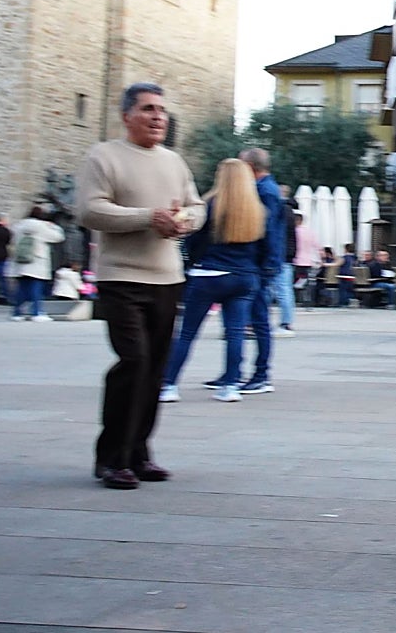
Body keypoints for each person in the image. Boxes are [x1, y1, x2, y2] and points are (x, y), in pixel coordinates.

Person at [76, 81, 205, 489]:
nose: (158, 118)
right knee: (133, 361)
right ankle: (111, 458)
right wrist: (149, 217)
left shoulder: (174, 161)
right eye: (149, 109)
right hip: (121, 277)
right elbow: (90, 210)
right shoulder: (103, 156)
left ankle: (138, 452)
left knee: (154, 368)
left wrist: (183, 221)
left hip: (168, 278)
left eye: (162, 111)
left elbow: (197, 206)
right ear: (127, 115)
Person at [159, 158, 268, 403]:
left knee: (187, 333)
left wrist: (193, 263)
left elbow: (192, 242)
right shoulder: (257, 208)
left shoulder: (209, 205)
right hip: (244, 276)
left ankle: (169, 385)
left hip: (209, 274)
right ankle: (230, 386)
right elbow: (265, 247)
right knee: (235, 333)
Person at [235, 148, 286, 394]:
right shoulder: (266, 189)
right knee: (252, 318)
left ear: (250, 167)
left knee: (259, 319)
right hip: (260, 262)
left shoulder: (265, 191)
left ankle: (261, 374)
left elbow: (267, 230)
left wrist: (267, 264)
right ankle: (235, 372)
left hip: (260, 263)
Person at [9, 205, 66, 321]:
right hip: (36, 261)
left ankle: (17, 313)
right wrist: (54, 226)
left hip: (21, 261)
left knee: (21, 288)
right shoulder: (41, 226)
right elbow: (58, 237)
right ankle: (36, 312)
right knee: (36, 288)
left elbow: (12, 239)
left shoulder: (18, 226)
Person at [273, 184, 298, 336]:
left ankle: (285, 322)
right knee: (285, 290)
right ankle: (286, 322)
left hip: (278, 255)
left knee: (279, 290)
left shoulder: (280, 209)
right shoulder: (291, 212)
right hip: (287, 256)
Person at [291, 211, 319, 310]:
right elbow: (317, 246)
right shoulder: (310, 232)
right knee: (307, 283)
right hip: (308, 261)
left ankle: (293, 301)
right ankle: (307, 303)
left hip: (295, 260)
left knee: (291, 282)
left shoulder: (293, 232)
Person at [0, 213, 11, 305]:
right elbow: (8, 242)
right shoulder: (6, 231)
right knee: (1, 278)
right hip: (1, 256)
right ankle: (3, 296)